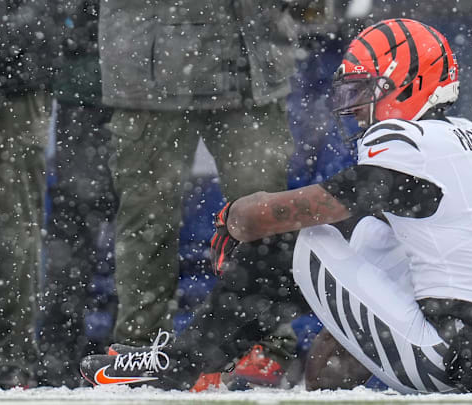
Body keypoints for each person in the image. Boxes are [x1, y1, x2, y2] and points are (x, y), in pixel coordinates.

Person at [79, 18, 472, 394]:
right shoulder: (467, 139)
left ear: (411, 83)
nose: (357, 109)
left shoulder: (408, 139)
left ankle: (177, 365)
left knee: (304, 240)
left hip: (453, 351)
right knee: (367, 238)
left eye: (366, 92)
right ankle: (259, 372)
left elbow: (308, 208)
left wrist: (236, 215)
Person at [98, 0, 308, 382]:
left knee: (263, 218)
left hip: (240, 59)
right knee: (149, 217)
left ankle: (263, 343)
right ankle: (141, 347)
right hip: (165, 65)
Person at [0, 0, 57, 388]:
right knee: (17, 231)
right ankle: (12, 359)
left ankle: (13, 358)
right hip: (18, 63)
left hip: (16, 70)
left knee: (17, 233)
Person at [36, 0, 118, 388]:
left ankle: (62, 353)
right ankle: (129, 349)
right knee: (138, 228)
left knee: (79, 232)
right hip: (104, 85)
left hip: (112, 84)